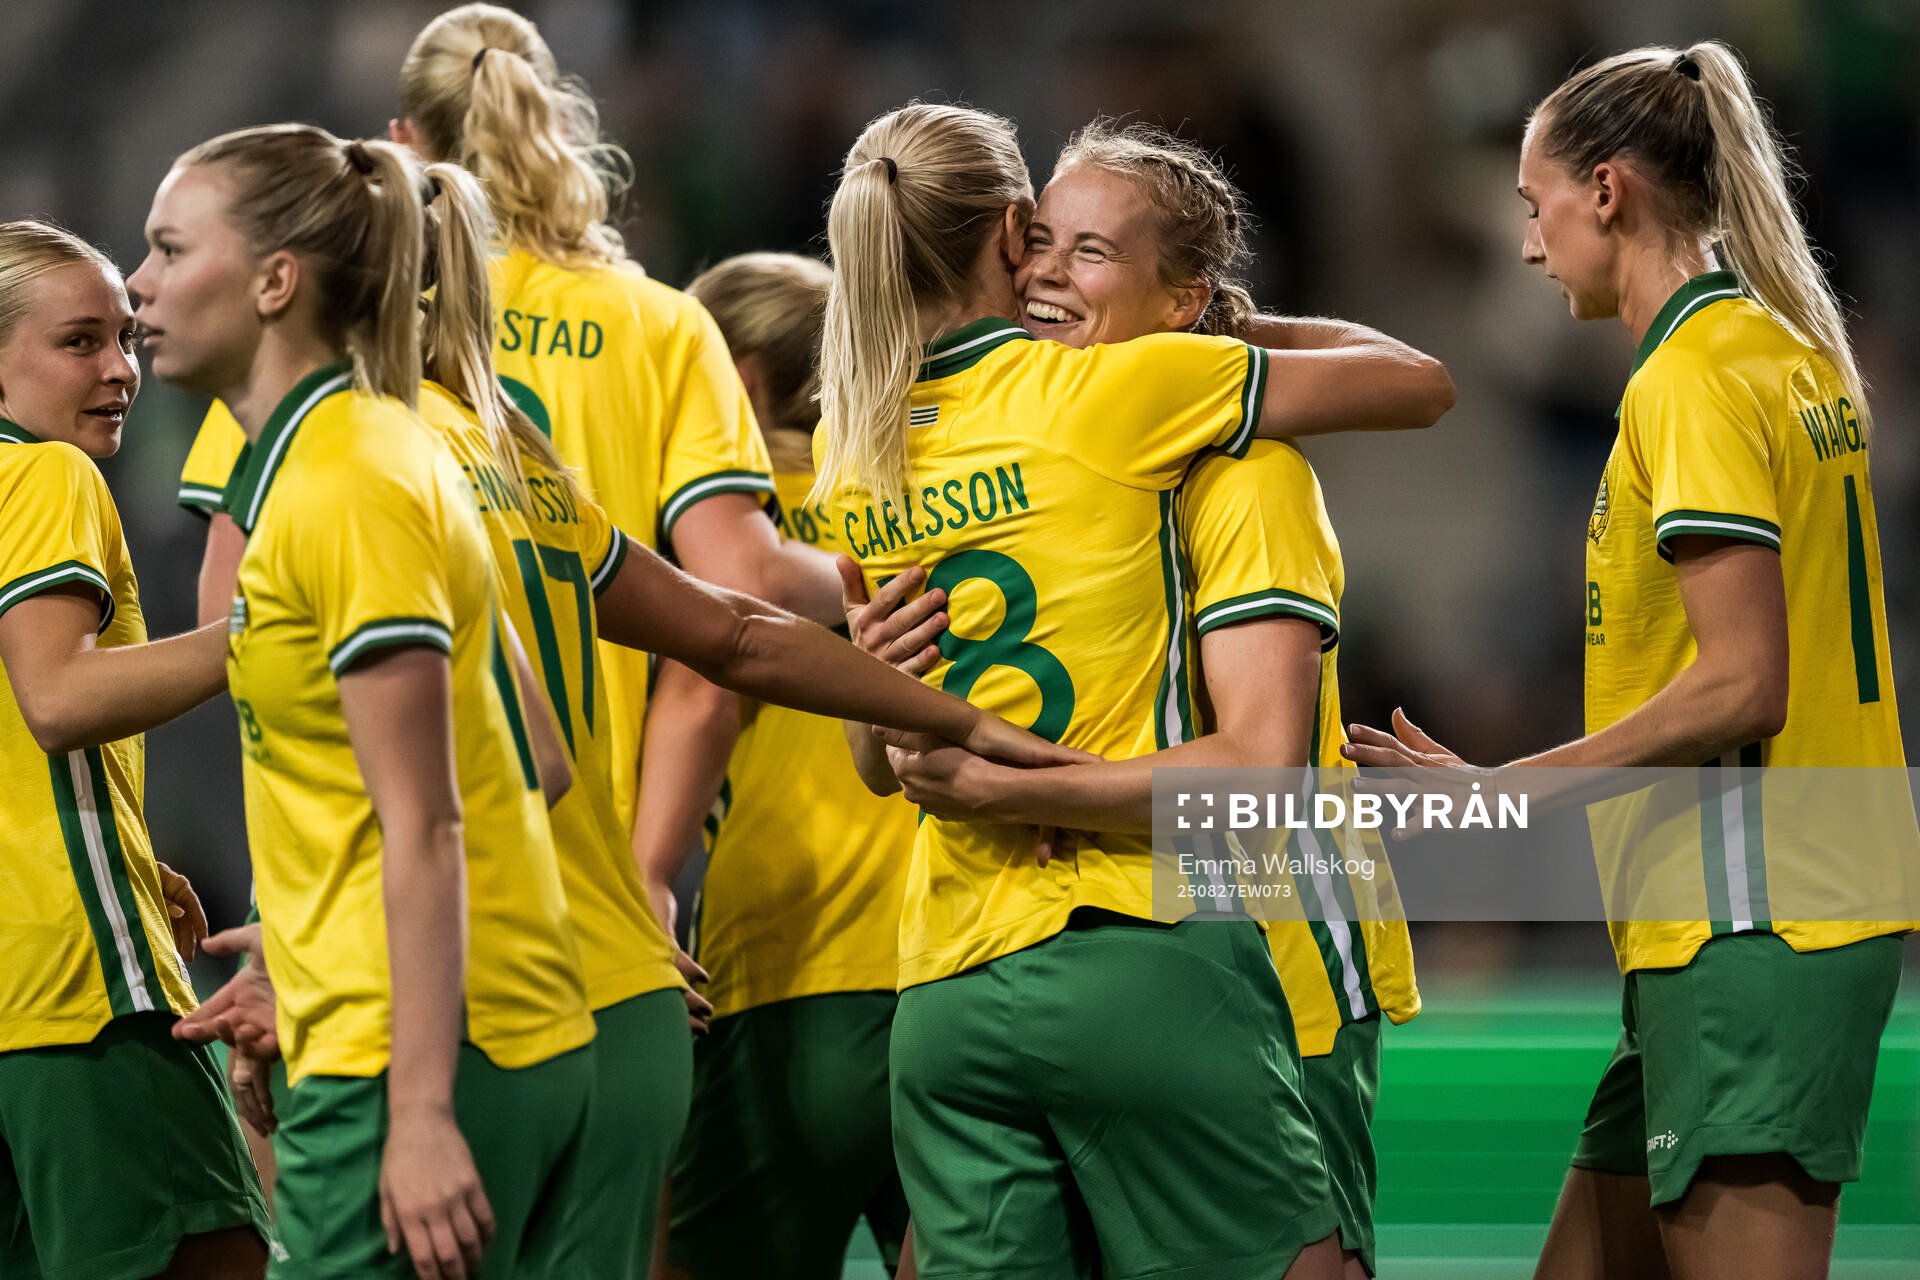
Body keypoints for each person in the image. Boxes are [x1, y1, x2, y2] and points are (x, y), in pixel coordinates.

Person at [812, 100, 1453, 1279]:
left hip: (970, 969)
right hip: (1164, 936)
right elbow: (1260, 768)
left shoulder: (859, 444)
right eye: (1042, 241)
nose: (1051, 272)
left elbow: (882, 759)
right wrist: (1029, 785)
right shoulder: (1163, 423)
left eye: (1090, 250)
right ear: (1005, 234)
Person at [1344, 41, 1911, 1280]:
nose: (1529, 244)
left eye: (1534, 203)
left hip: (1756, 920)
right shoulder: (1778, 350)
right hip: (1756, 913)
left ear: (1607, 191)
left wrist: (1504, 794)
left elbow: (1743, 682)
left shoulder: (1692, 381)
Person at [129, 124, 598, 1280]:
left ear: (275, 281)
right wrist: (299, 959)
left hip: (417, 1058)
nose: (139, 281)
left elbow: (428, 821)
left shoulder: (344, 481)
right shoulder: (360, 448)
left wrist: (423, 1109)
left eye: (170, 248)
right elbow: (534, 755)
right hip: (444, 1027)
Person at [390, 4, 842, 878]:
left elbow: (244, 618)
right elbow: (735, 600)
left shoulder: (349, 322)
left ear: (402, 146)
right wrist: (652, 877)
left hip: (395, 848)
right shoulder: (662, 326)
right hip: (598, 858)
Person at [0, 219, 269, 1279]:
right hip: (81, 995)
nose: (121, 369)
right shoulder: (45, 477)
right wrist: (274, 624)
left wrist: (126, 849)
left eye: (123, 337)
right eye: (79, 342)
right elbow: (57, 698)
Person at [645, 253, 917, 1280]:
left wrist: (643, 879)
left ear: (738, 380)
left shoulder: (713, 543)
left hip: (795, 964)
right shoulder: (915, 506)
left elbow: (704, 693)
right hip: (962, 960)